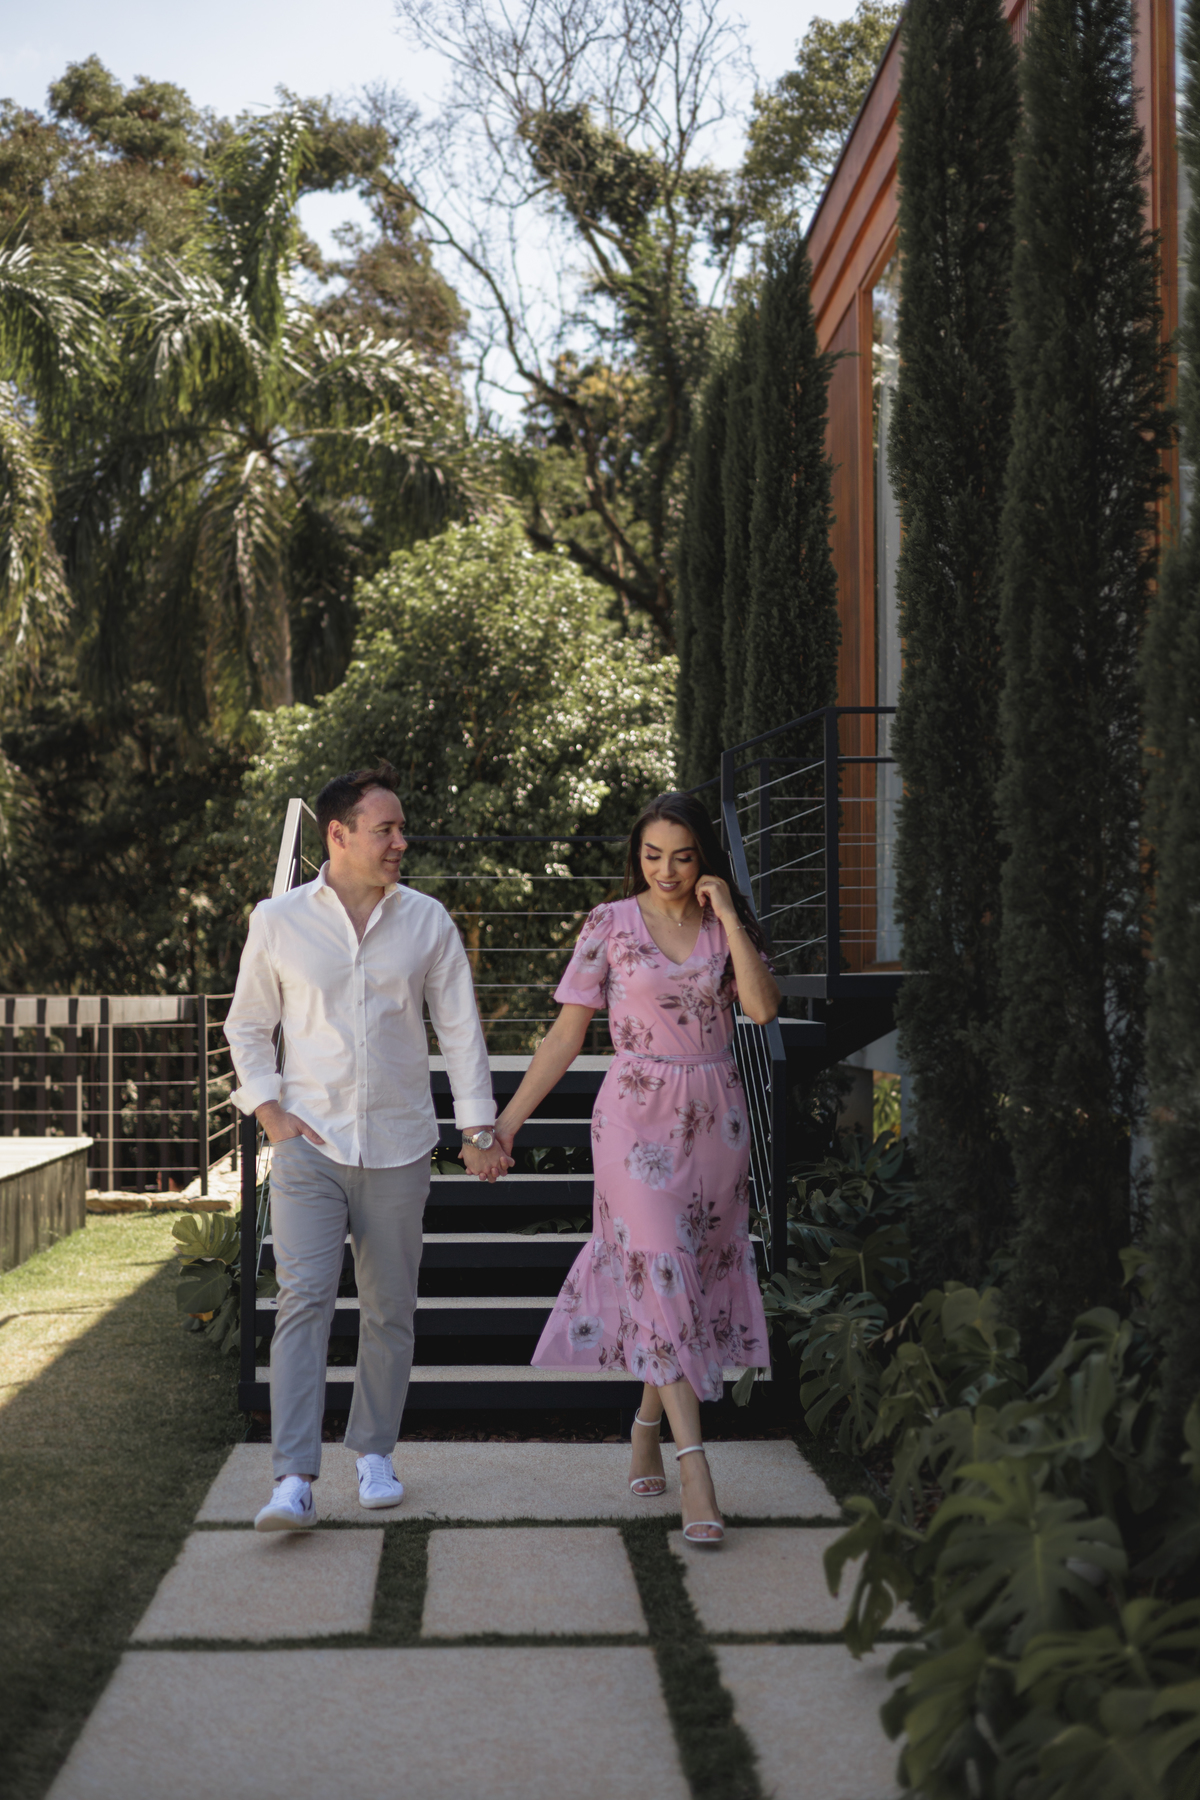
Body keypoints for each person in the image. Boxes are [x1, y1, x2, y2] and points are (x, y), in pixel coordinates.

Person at [225, 761, 511, 1532]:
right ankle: (292, 1477)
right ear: (339, 834)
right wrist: (270, 1111)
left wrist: (477, 1129)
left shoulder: (427, 921)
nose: (399, 842)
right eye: (385, 829)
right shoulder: (279, 920)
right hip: (309, 1148)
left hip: (399, 1146)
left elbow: (460, 1031)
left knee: (389, 1310)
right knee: (303, 1301)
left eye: (400, 829)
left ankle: (375, 1452)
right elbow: (247, 1025)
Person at [495, 792, 778, 1546]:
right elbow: (564, 1035)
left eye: (682, 856)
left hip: (715, 1117)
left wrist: (730, 918)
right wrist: (507, 1121)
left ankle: (647, 1423)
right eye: (652, 855)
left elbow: (759, 1010)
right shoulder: (608, 926)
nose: (666, 870)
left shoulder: (724, 925)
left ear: (703, 858)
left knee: (686, 1277)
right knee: (658, 1267)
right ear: (636, 856)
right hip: (633, 1117)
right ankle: (696, 1469)